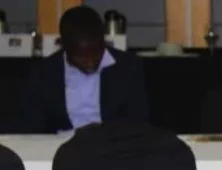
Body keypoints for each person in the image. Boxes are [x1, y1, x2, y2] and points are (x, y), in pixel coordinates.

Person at [18, 5, 148, 134]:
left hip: (112, 142)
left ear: (103, 41)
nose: (90, 64)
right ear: (64, 45)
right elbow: (33, 126)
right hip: (60, 143)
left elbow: (138, 121)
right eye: (81, 59)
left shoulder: (129, 67)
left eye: (97, 54)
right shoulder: (42, 73)